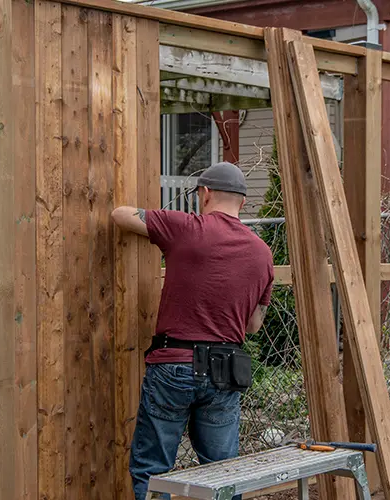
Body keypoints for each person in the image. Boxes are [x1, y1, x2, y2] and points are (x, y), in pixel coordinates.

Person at [111, 161, 274, 500]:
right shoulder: (262, 253)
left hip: (175, 364)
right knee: (222, 470)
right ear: (242, 203)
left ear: (204, 194)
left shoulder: (185, 228)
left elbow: (120, 215)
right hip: (225, 369)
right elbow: (254, 325)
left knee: (152, 469)